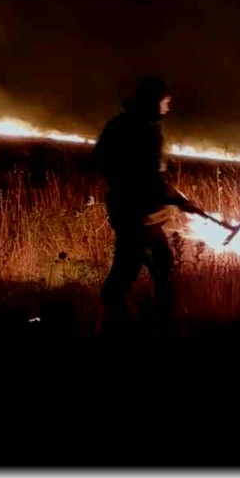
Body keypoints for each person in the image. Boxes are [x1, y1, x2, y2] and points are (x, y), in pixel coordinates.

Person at [94, 77, 206, 338]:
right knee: (128, 272)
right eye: (165, 101)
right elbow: (150, 177)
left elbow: (104, 157)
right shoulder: (143, 129)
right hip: (138, 215)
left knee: (159, 266)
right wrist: (180, 201)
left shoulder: (121, 124)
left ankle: (153, 322)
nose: (168, 106)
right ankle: (125, 326)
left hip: (137, 213)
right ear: (153, 102)